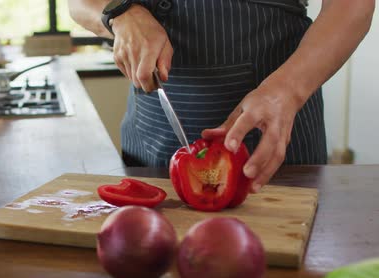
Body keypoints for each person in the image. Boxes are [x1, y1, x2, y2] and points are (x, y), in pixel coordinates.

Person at [68, 0, 374, 192]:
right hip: (148, 141)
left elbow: (352, 5)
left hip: (273, 146)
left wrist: (287, 91)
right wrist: (119, 12)